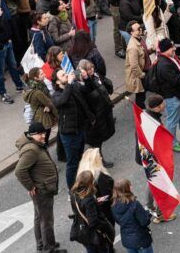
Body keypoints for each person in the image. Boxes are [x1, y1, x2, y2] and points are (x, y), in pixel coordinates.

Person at [14, 122, 62, 253]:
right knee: (46, 221)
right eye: (40, 134)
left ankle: (42, 244)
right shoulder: (31, 150)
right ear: (33, 135)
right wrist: (30, 186)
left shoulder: (34, 145)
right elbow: (19, 171)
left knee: (39, 217)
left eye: (43, 133)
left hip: (41, 188)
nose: (43, 136)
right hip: (42, 190)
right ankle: (49, 248)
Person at [51, 68, 91, 187]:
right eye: (63, 75)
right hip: (69, 134)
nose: (67, 76)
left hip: (80, 129)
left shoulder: (72, 87)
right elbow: (63, 101)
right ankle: (71, 190)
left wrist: (86, 78)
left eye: (66, 73)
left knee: (80, 158)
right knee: (72, 164)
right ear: (58, 82)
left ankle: (81, 182)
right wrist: (69, 83)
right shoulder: (56, 95)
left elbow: (87, 90)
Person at [69, 171, 115, 253]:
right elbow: (93, 222)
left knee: (90, 249)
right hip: (92, 234)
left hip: (82, 230)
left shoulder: (73, 193)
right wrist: (105, 228)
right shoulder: (89, 200)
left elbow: (78, 208)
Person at [111, 179, 153, 253]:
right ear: (126, 188)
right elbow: (145, 222)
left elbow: (119, 221)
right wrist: (148, 214)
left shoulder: (113, 206)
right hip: (141, 239)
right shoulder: (135, 204)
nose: (131, 186)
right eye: (129, 185)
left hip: (127, 240)